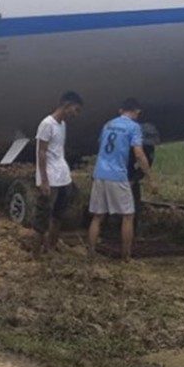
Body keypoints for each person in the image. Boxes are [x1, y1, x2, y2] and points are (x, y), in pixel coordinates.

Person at [88, 98, 155, 261]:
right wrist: (149, 177)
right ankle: (126, 256)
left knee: (98, 216)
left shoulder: (108, 124)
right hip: (117, 175)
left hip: (99, 173)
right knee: (128, 215)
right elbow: (138, 153)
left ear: (121, 110)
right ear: (137, 112)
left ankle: (90, 252)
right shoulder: (134, 127)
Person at [33, 91, 84, 259]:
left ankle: (51, 248)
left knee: (58, 215)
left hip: (62, 177)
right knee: (42, 218)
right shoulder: (47, 124)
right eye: (74, 110)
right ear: (66, 105)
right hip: (51, 178)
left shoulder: (62, 125)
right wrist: (44, 180)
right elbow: (42, 152)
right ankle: (36, 254)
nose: (75, 114)